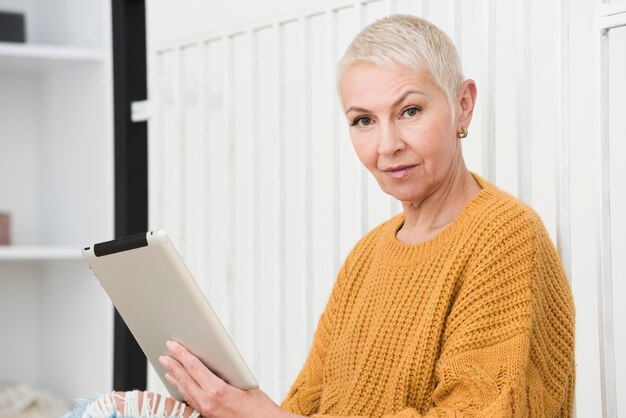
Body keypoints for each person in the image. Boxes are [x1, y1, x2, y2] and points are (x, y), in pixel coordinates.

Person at [65, 14, 575, 418]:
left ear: (463, 106)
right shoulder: (368, 254)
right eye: (363, 121)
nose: (387, 145)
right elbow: (307, 408)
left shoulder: (505, 235)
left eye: (411, 111)